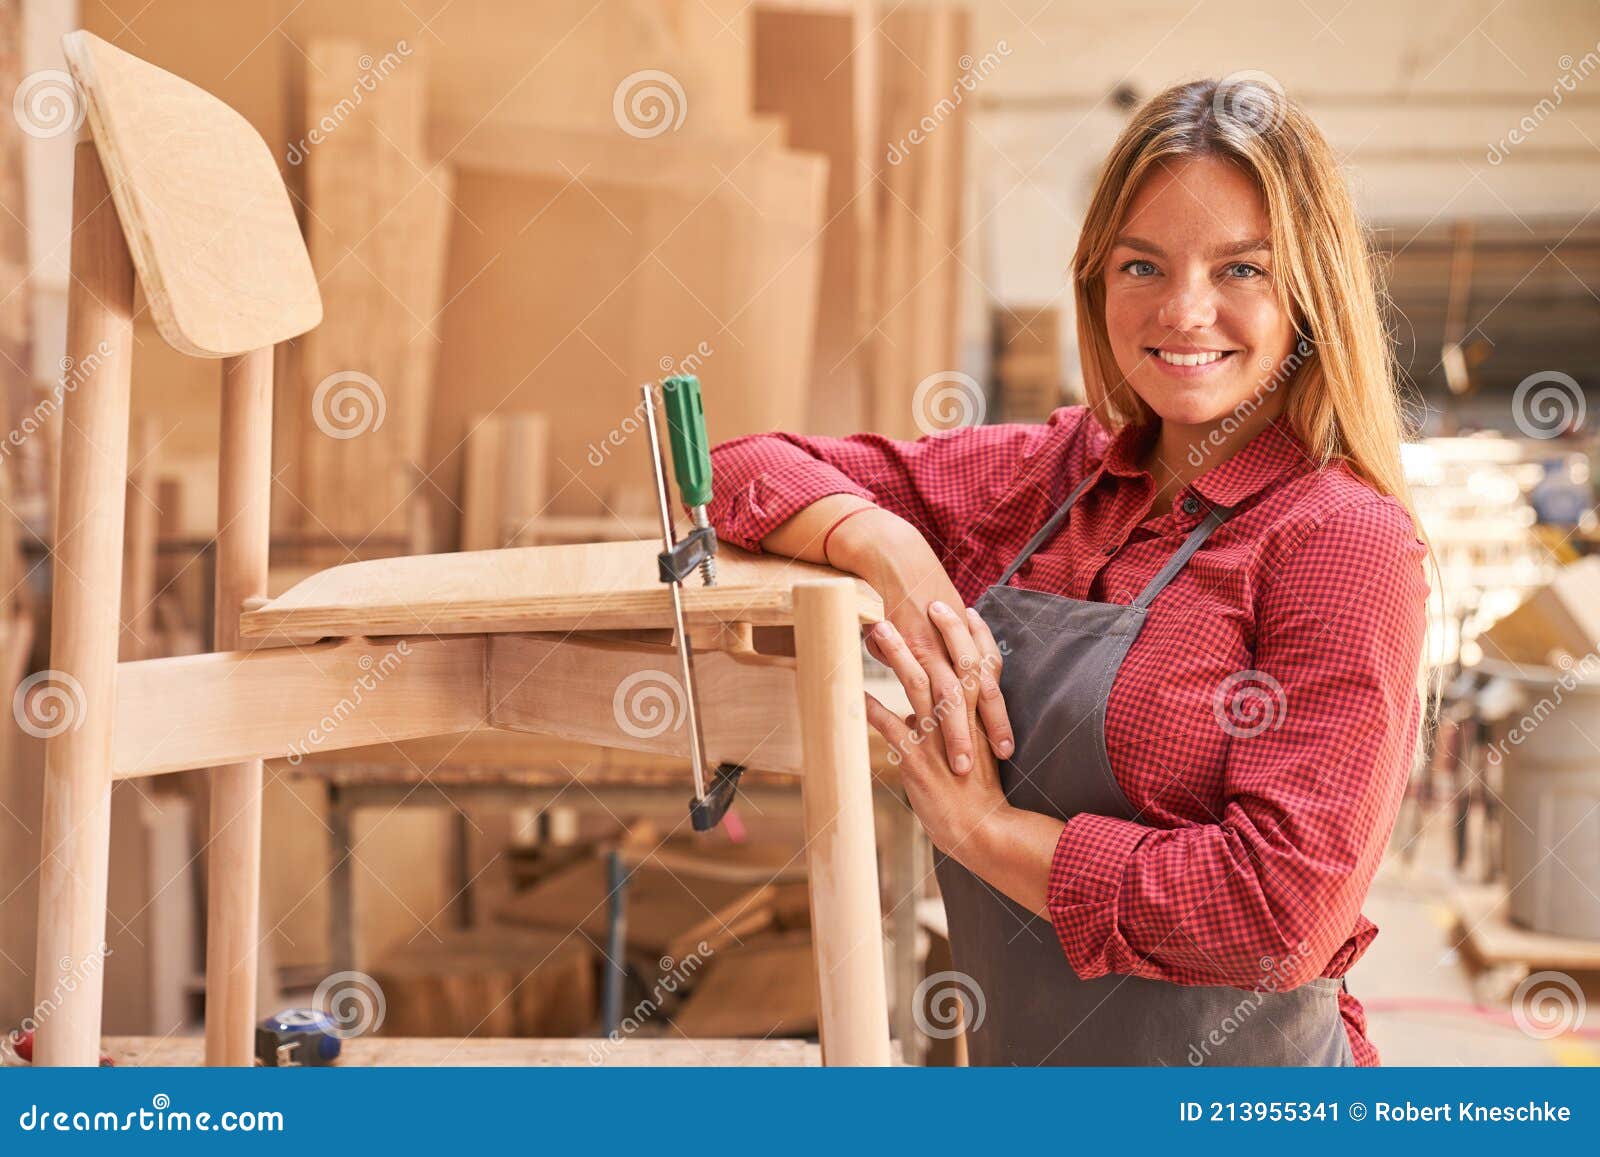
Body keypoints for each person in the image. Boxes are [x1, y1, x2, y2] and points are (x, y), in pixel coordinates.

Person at [703, 77, 1430, 1066]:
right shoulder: (1051, 477)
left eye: (1241, 270)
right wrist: (891, 550)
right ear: (1094, 280)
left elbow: (1276, 911)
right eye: (1142, 263)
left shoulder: (1339, 539)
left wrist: (985, 832)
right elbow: (729, 464)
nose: (1182, 309)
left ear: (1309, 291)